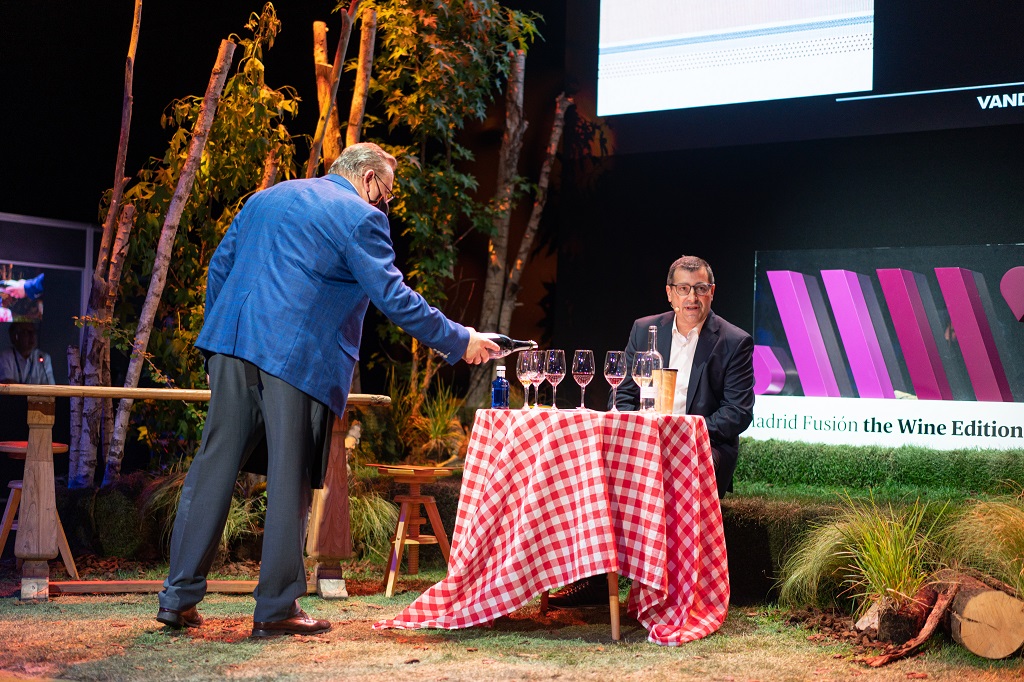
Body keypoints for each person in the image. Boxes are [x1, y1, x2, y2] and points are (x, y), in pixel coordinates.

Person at [156, 143, 498, 637]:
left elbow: (219, 269)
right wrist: (461, 339)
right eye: (388, 193)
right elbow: (394, 297)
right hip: (294, 358)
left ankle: (177, 599)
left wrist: (218, 344)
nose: (387, 204)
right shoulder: (360, 217)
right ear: (367, 181)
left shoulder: (265, 198)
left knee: (212, 468)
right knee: (289, 478)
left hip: (232, 344)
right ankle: (275, 608)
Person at [549, 255, 754, 607]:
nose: (692, 298)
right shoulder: (645, 330)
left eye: (700, 289)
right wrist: (637, 433)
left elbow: (737, 413)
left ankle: (674, 589)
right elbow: (623, 392)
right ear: (670, 294)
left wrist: (683, 434)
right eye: (684, 289)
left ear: (712, 292)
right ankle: (597, 581)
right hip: (645, 442)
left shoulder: (734, 341)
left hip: (703, 448)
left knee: (675, 469)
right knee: (600, 470)